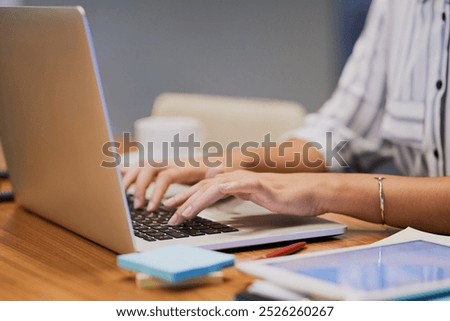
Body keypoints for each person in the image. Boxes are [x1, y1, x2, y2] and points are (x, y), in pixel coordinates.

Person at [122, 0, 450, 235]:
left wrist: (322, 191)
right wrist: (226, 163)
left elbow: (327, 178)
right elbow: (335, 132)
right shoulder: (397, 6)